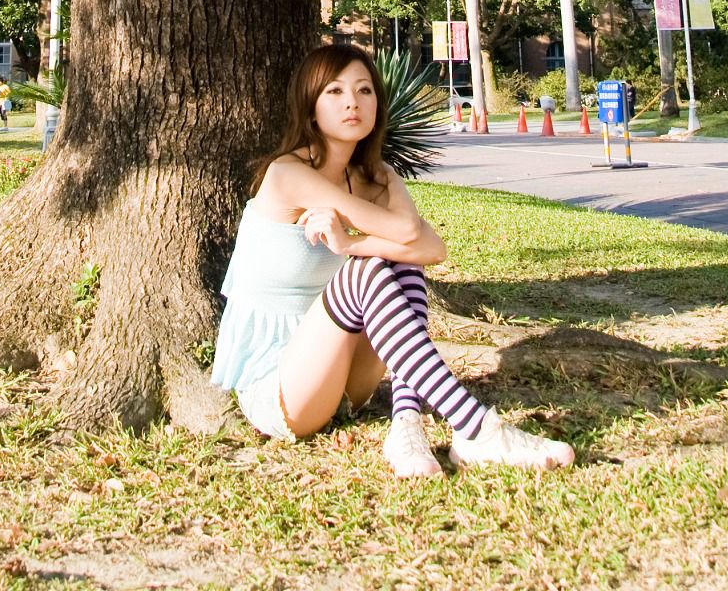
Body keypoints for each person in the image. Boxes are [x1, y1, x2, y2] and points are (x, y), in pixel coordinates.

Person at [212, 42, 576, 479]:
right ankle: (474, 426)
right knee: (370, 265)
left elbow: (428, 248)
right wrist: (357, 247)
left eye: (364, 91)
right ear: (310, 108)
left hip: (346, 381)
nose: (352, 102)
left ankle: (407, 424)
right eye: (334, 92)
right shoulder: (288, 175)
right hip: (280, 388)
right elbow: (405, 232)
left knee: (398, 263)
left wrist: (350, 241)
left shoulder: (374, 177)